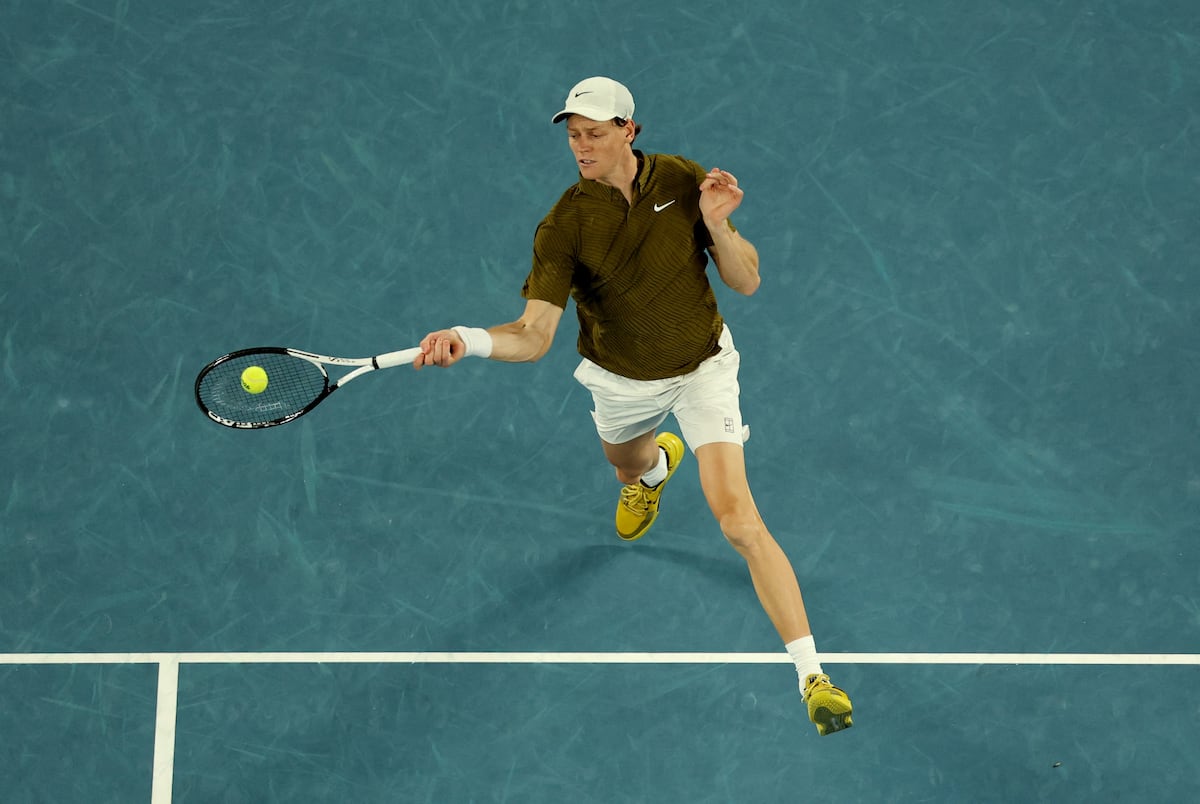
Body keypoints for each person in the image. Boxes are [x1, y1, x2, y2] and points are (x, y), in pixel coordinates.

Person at [415, 76, 853, 735]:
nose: (581, 146)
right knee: (626, 463)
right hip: (621, 381)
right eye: (573, 135)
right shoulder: (565, 224)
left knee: (739, 522)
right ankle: (651, 474)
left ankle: (813, 677)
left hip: (703, 368)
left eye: (594, 133)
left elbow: (747, 279)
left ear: (629, 130)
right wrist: (468, 338)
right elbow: (533, 336)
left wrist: (715, 224)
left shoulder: (682, 179)